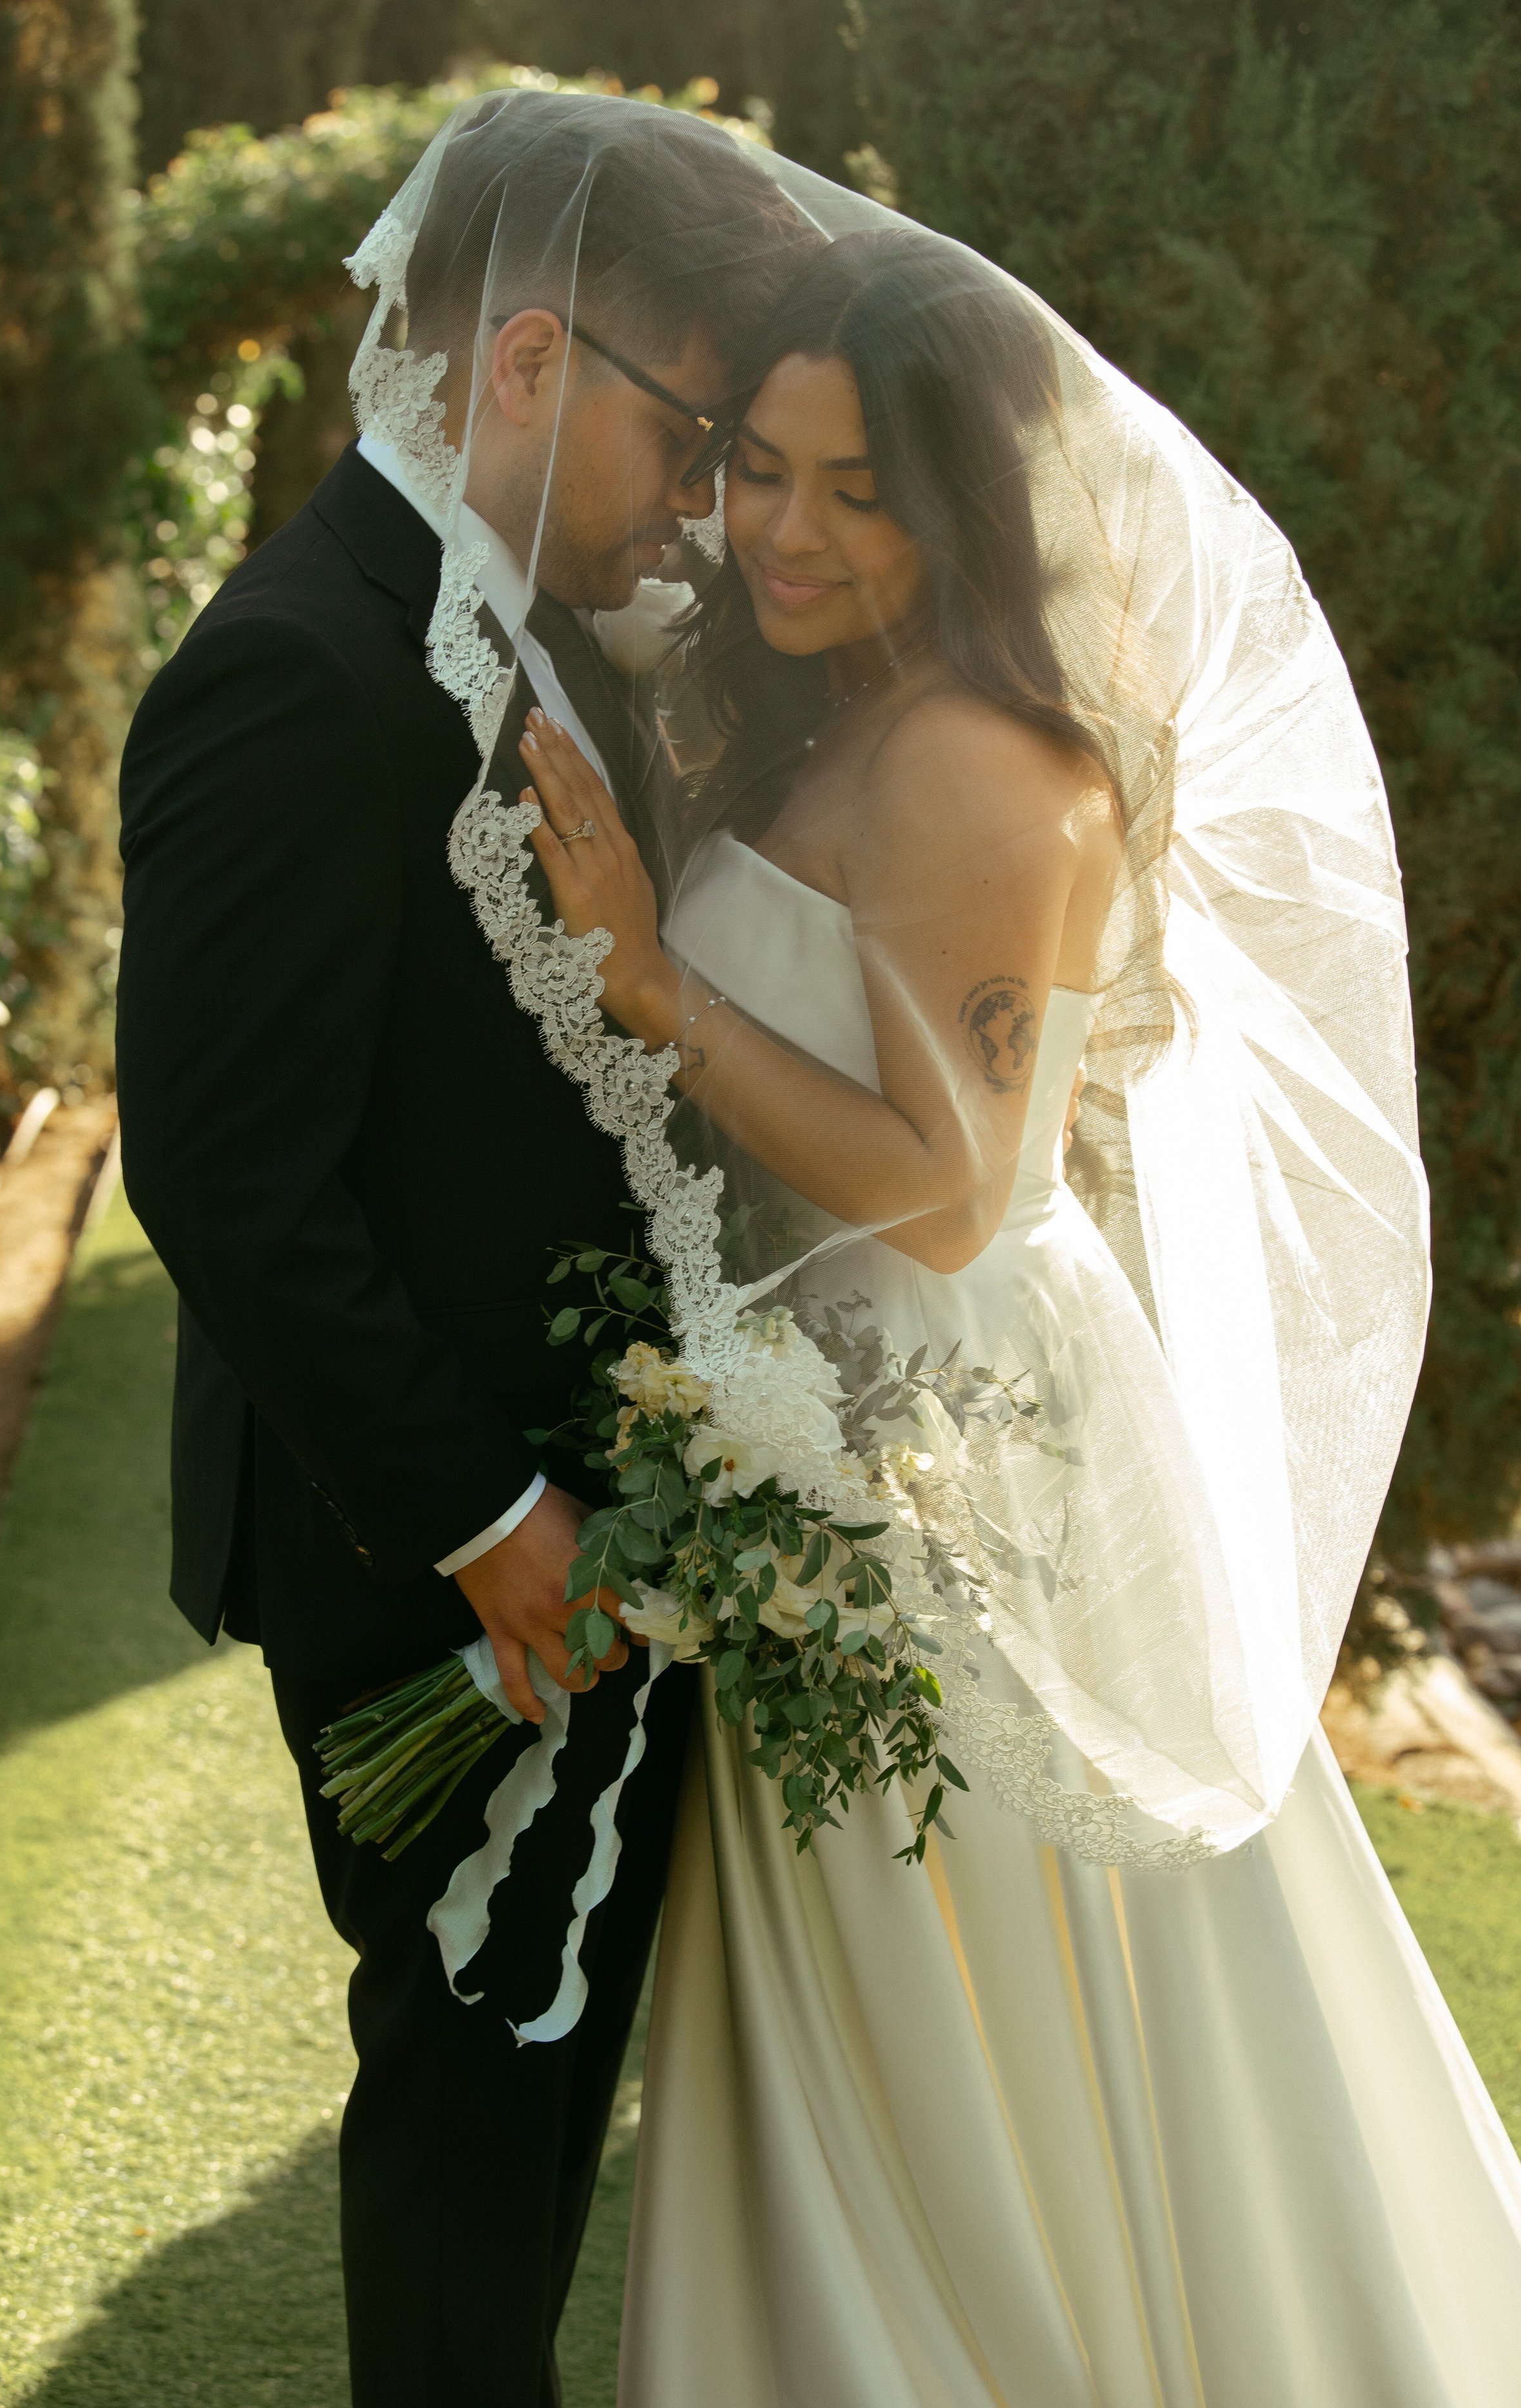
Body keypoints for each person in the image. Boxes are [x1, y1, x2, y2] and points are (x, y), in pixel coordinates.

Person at [513, 222, 1521, 2403]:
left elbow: (955, 1189)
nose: (782, 528)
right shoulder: (845, 707)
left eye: (854, 489)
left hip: (955, 1451)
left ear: (960, 508)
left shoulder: (972, 761)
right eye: (757, 467)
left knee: (1008, 1995)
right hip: (836, 1422)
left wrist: (652, 985)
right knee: (893, 1998)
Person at [116, 91, 814, 2408]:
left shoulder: (533, 628)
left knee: (517, 2112)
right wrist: (494, 1516)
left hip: (590, 1523)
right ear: (525, 362)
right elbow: (224, 1170)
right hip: (440, 1560)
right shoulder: (294, 669)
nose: (698, 496)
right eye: (687, 430)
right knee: (469, 2119)